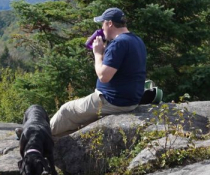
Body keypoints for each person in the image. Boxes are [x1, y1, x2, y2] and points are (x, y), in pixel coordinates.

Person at [49, 7, 146, 137]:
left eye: (103, 23)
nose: (102, 27)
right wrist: (106, 49)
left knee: (66, 111)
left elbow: (103, 76)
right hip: (130, 100)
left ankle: (38, 134)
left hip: (113, 101)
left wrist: (98, 53)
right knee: (79, 123)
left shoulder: (119, 43)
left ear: (109, 23)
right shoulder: (135, 40)